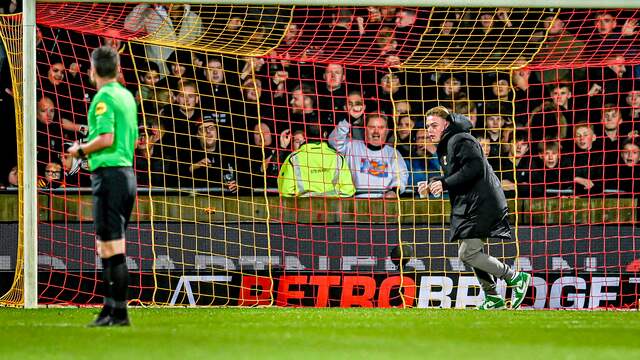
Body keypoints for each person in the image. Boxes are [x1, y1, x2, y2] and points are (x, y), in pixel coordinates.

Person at [421, 106, 531, 310]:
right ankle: (493, 298)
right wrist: (433, 183)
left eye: (434, 125)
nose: (429, 130)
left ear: (446, 124)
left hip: (482, 203)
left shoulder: (461, 139)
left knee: (467, 253)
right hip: (470, 205)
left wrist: (444, 183)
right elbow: (456, 175)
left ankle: (515, 277)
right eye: (427, 126)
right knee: (473, 252)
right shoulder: (446, 145)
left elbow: (474, 168)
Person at [67, 46, 138, 326]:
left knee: (111, 247)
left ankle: (118, 313)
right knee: (109, 246)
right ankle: (111, 311)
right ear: (118, 69)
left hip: (109, 176)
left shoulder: (104, 98)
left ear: (93, 71)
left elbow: (106, 138)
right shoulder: (126, 96)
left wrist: (80, 150)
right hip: (126, 174)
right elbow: (131, 141)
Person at [329, 114, 408, 198]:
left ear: (387, 130)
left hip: (385, 204)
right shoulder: (351, 147)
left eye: (381, 127)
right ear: (364, 129)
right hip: (356, 204)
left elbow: (401, 176)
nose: (376, 131)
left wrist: (394, 191)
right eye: (372, 127)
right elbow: (333, 141)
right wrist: (349, 119)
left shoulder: (393, 153)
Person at [278, 123, 355, 197]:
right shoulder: (338, 157)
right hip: (332, 208)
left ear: (305, 136)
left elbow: (285, 192)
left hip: (302, 208)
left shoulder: (293, 158)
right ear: (324, 134)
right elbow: (348, 191)